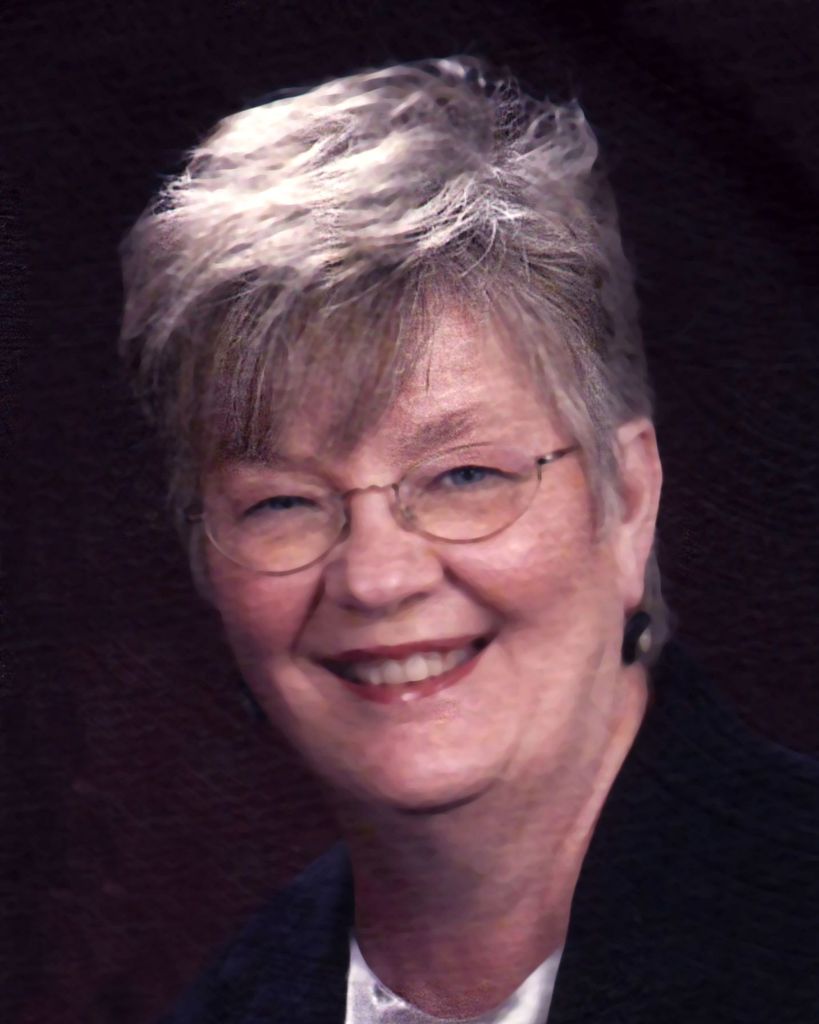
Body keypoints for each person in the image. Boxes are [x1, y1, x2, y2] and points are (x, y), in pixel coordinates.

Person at [118, 57, 819, 1024]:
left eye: (463, 477)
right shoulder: (233, 1003)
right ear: (206, 554)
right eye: (283, 503)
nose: (376, 577)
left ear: (626, 502)